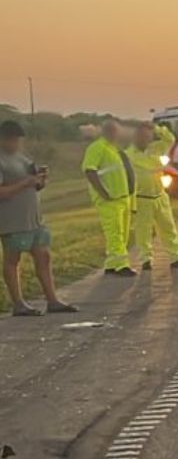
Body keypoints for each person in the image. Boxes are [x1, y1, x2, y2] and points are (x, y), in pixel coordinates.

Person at [0, 120, 77, 315]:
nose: (16, 143)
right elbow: (3, 193)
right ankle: (18, 303)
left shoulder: (22, 158)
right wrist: (26, 182)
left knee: (43, 256)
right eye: (12, 140)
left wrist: (40, 181)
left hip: (34, 218)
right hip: (12, 220)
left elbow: (33, 184)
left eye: (18, 140)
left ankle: (52, 300)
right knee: (12, 259)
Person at [128, 122, 178, 270]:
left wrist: (157, 128)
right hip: (142, 198)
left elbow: (170, 139)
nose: (146, 138)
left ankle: (176, 257)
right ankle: (145, 260)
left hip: (160, 195)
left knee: (168, 228)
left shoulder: (156, 148)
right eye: (143, 135)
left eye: (148, 135)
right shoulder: (129, 154)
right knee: (144, 231)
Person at [82, 119, 136, 276]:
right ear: (106, 132)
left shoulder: (113, 149)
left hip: (122, 198)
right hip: (109, 200)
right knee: (115, 233)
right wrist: (103, 193)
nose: (116, 134)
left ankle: (112, 264)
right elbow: (89, 171)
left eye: (117, 131)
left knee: (123, 234)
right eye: (113, 131)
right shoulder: (97, 147)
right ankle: (122, 266)